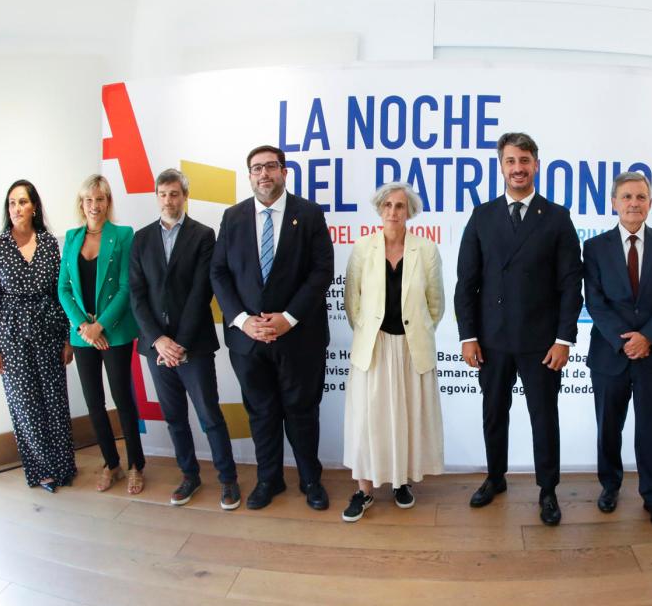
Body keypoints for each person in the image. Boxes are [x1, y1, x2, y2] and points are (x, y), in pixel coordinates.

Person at [454, 131, 583, 526]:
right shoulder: (482, 215)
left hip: (541, 343)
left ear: (536, 165)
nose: (518, 168)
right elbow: (466, 282)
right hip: (491, 340)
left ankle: (548, 490)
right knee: (494, 413)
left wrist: (564, 339)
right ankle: (495, 478)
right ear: (501, 166)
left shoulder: (557, 217)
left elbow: (570, 284)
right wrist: (468, 335)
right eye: (511, 161)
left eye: (525, 160)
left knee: (543, 418)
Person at [211, 145, 333, 511]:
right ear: (249, 175)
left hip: (299, 337)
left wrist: (288, 318)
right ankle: (269, 479)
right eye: (256, 168)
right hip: (248, 341)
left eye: (270, 167)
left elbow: (321, 270)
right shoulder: (232, 217)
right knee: (261, 413)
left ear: (283, 171)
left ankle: (310, 480)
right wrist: (243, 320)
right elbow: (218, 272)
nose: (263, 174)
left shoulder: (308, 213)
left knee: (302, 410)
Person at [130, 169, 241, 510]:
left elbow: (201, 292)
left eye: (175, 194)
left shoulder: (203, 235)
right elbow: (137, 295)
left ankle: (228, 481)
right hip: (156, 349)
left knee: (209, 415)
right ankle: (189, 476)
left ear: (184, 196)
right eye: (163, 194)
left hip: (194, 346)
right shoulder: (141, 238)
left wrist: (179, 343)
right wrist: (159, 341)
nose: (169, 200)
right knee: (174, 417)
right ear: (157, 197)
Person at [583, 172, 652, 529]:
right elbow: (594, 301)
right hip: (610, 355)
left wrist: (648, 337)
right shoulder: (594, 248)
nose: (633, 203)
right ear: (613, 203)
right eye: (626, 197)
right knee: (609, 427)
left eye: (641, 197)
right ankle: (609, 487)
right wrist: (625, 341)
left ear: (650, 204)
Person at [340, 182, 445, 522]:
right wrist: (370, 332)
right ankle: (364, 489)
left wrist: (416, 331)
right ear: (379, 209)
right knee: (368, 420)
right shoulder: (362, 248)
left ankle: (401, 483)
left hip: (411, 347)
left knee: (405, 416)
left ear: (409, 211)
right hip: (374, 346)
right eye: (387, 205)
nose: (393, 212)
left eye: (400, 206)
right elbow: (351, 301)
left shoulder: (426, 250)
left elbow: (436, 303)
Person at [0, 180, 77, 493]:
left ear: (34, 206)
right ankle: (42, 471)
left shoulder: (50, 243)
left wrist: (67, 338)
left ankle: (64, 466)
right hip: (12, 337)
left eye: (22, 202)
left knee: (55, 402)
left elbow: (60, 292)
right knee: (25, 406)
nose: (16, 209)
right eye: (11, 203)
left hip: (49, 333)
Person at [58, 174, 145, 494]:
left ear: (108, 202)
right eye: (88, 199)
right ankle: (112, 464)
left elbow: (126, 288)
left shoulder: (123, 235)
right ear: (81, 204)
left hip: (115, 332)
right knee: (94, 402)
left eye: (101, 199)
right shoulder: (70, 238)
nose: (94, 205)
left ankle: (136, 465)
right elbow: (63, 288)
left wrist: (100, 326)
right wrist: (84, 327)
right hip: (83, 336)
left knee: (123, 400)